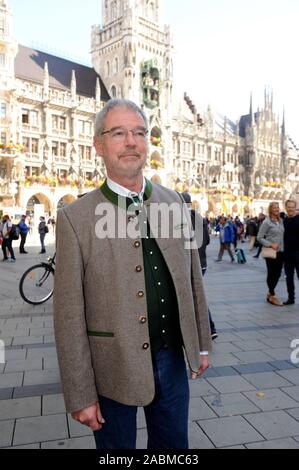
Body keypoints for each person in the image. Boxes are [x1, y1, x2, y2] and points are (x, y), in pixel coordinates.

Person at [53, 98, 212, 450]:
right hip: (111, 367)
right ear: (99, 145)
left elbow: (192, 282)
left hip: (171, 361)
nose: (131, 142)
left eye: (139, 132)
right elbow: (67, 315)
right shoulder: (75, 217)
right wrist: (80, 392)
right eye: (119, 133)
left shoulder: (174, 203)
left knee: (173, 450)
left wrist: (201, 343)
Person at [181, 192, 218, 340]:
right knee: (194, 294)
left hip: (189, 263)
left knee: (194, 296)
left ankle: (209, 328)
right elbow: (207, 240)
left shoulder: (180, 219)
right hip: (202, 263)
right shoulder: (199, 218)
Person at [257, 201, 284, 306]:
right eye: (274, 208)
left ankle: (270, 293)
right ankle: (272, 294)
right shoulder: (266, 222)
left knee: (277, 274)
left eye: (277, 208)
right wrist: (270, 244)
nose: (276, 209)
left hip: (281, 251)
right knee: (272, 273)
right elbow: (259, 237)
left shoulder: (281, 220)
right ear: (270, 209)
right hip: (271, 251)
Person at [283, 200, 299, 305]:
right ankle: (291, 298)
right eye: (289, 207)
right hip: (287, 253)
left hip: (298, 253)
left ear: (295, 208)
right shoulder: (283, 221)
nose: (290, 209)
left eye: (292, 207)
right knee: (289, 277)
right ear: (286, 208)